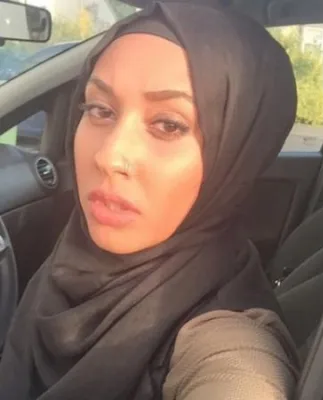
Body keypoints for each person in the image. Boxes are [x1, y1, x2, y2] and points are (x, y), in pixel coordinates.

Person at [0, 2, 300, 399]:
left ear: (235, 153)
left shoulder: (228, 344)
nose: (109, 157)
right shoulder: (71, 262)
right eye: (100, 110)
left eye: (168, 125)